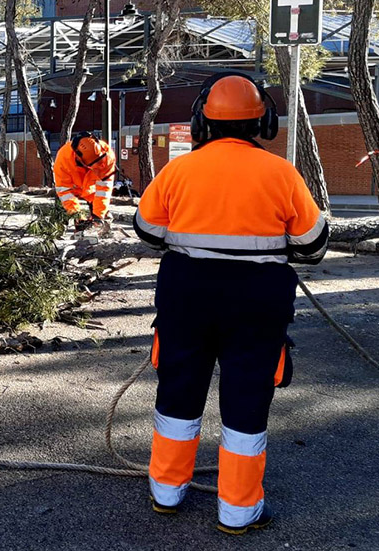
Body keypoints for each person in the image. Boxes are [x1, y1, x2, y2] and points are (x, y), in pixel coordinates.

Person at [133, 72, 328, 535]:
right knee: (247, 397)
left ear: (202, 121)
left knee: (178, 388)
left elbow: (147, 230)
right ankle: (238, 511)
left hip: (187, 294)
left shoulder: (178, 170)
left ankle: (166, 491)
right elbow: (313, 245)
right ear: (264, 122)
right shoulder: (281, 173)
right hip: (258, 300)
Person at [53, 132, 116, 236]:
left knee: (102, 215)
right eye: (93, 165)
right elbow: (64, 192)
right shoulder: (63, 159)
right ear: (78, 157)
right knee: (65, 210)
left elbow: (104, 190)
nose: (96, 167)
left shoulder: (107, 156)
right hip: (72, 189)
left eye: (98, 163)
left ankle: (104, 232)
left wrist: (98, 216)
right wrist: (77, 215)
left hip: (92, 190)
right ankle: (57, 233)